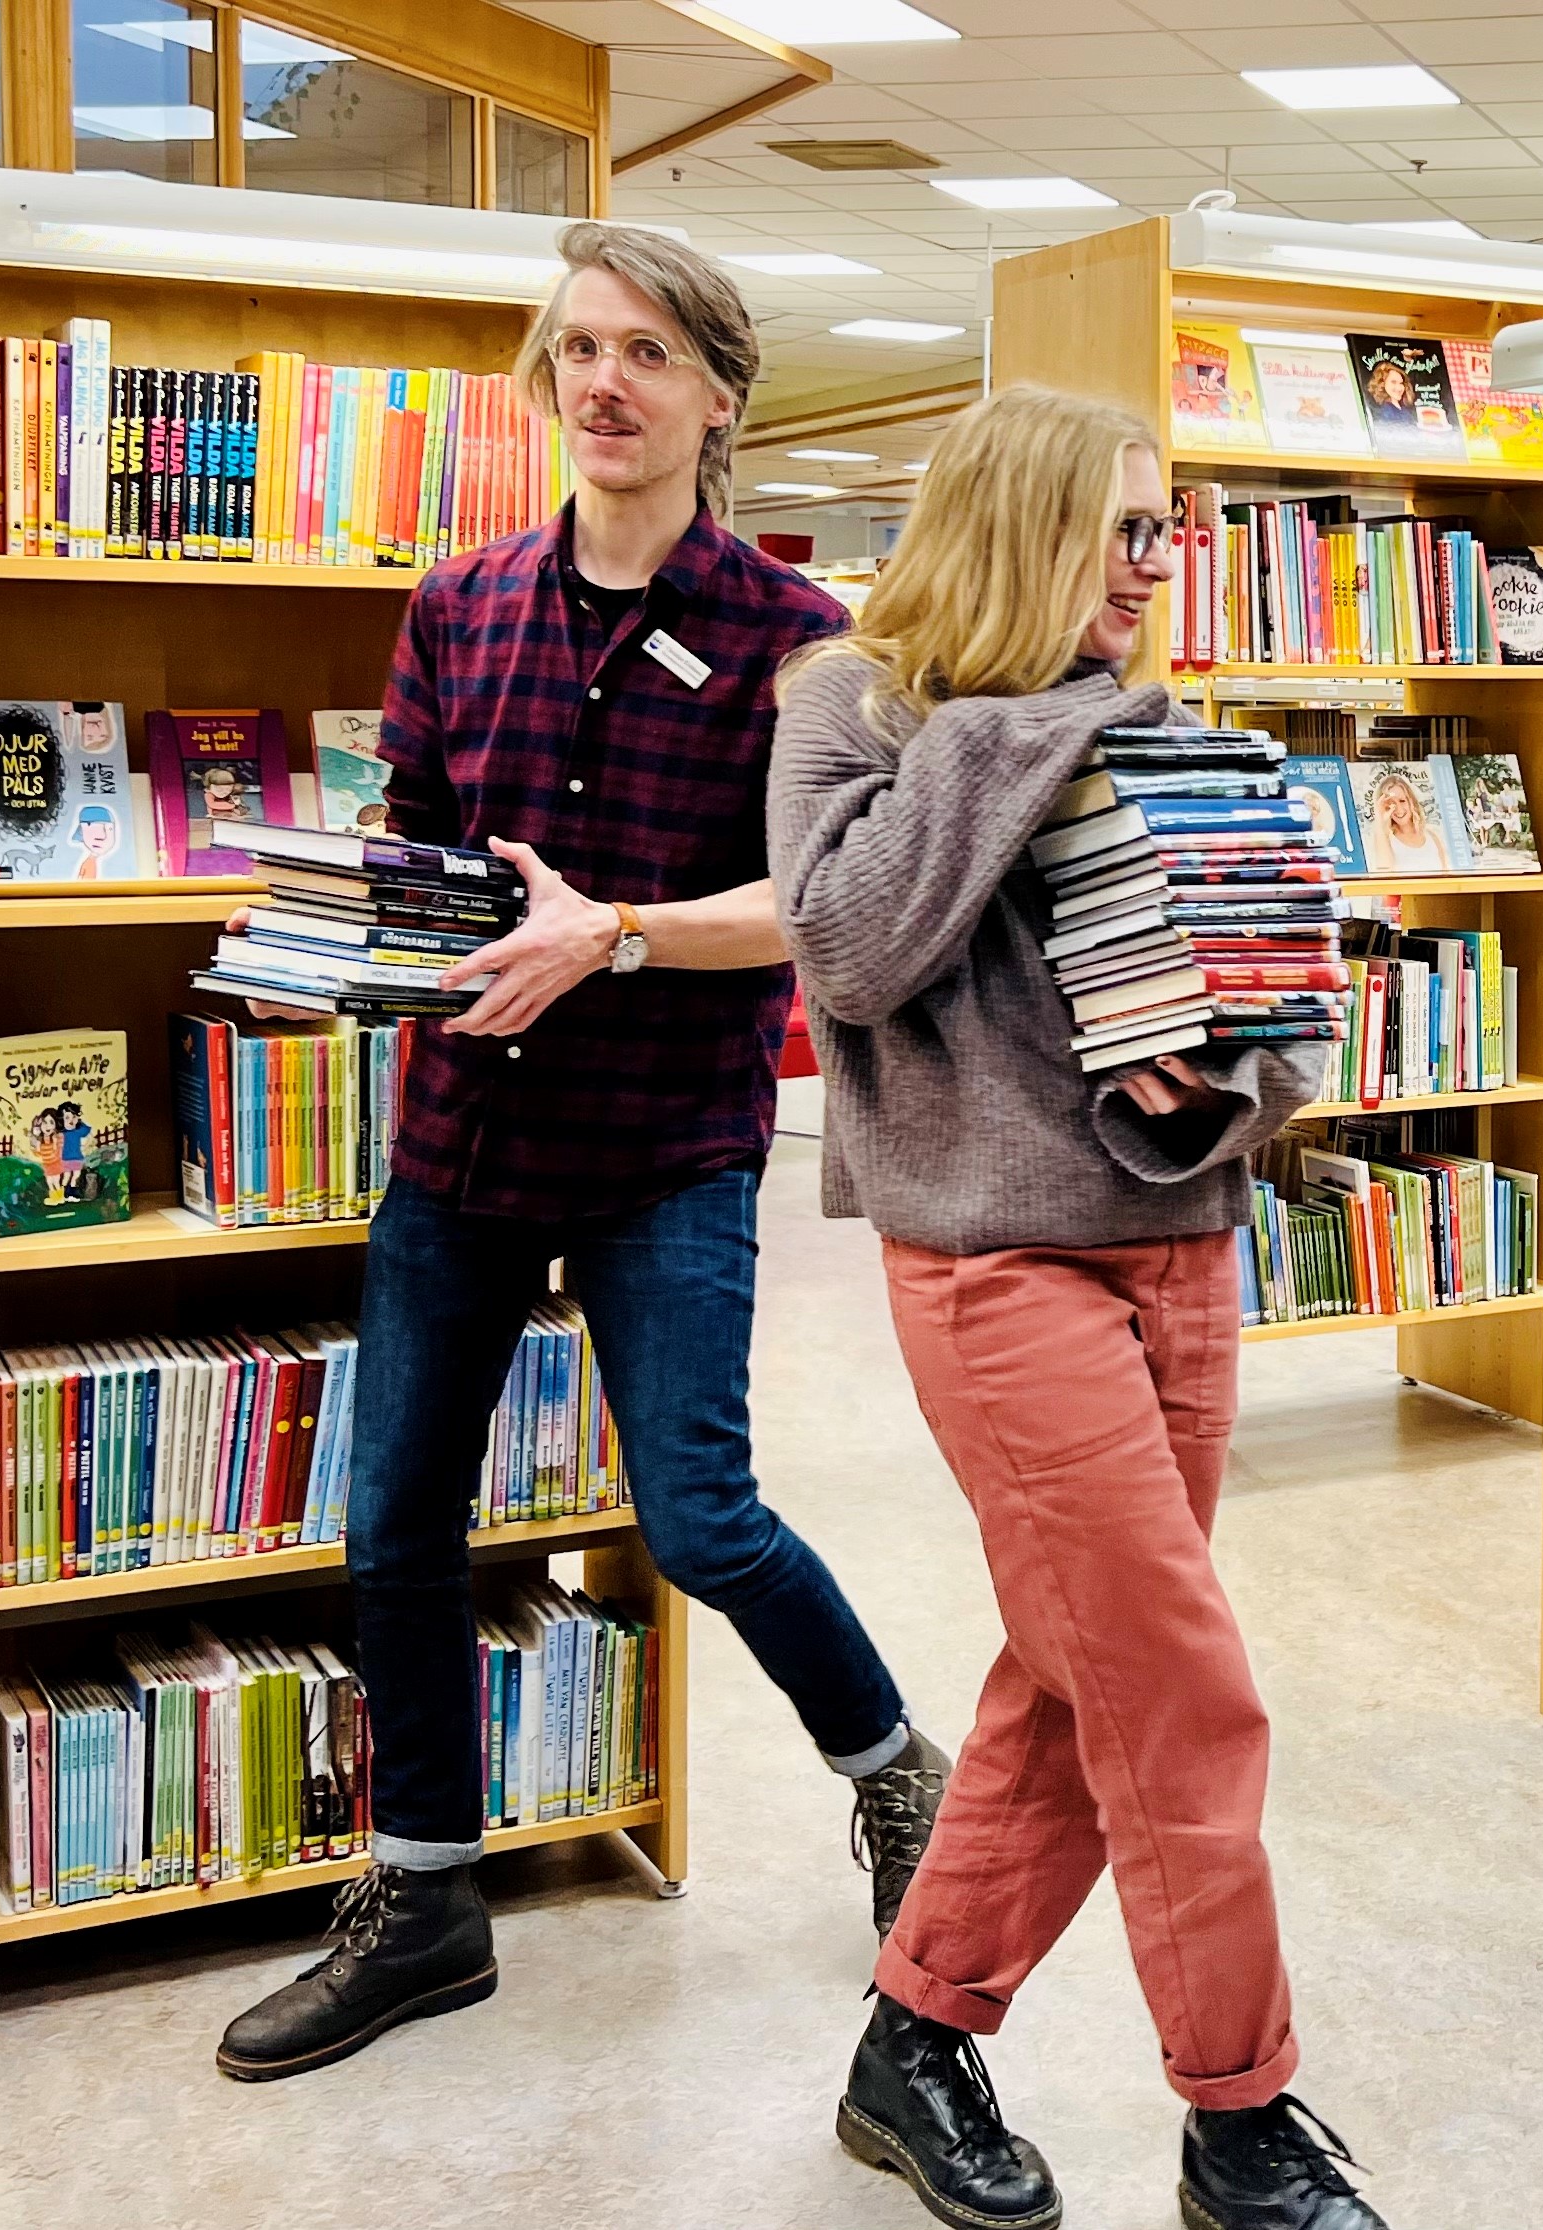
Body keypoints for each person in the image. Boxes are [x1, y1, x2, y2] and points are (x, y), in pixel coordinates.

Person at [214, 223, 946, 2081]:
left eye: (644, 354)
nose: (602, 385)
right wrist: (353, 950)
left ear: (717, 393)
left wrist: (609, 928)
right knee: (395, 1528)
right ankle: (428, 1894)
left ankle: (896, 1781)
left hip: (667, 1147)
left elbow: (820, 902)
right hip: (460, 1135)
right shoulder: (457, 604)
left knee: (700, 1516)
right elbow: (409, 848)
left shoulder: (805, 643)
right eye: (576, 352)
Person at [769, 381, 1387, 2230]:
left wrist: (1234, 1083)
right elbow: (856, 951)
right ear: (1023, 519)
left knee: (1076, 1673)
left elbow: (1283, 1003)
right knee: (1179, 1689)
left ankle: (914, 2038)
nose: (1153, 563)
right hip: (991, 1266)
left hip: (1182, 1245)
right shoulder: (853, 705)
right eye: (1122, 526)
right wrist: (1022, 720)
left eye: (1163, 527)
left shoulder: (1173, 729)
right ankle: (1242, 2117)